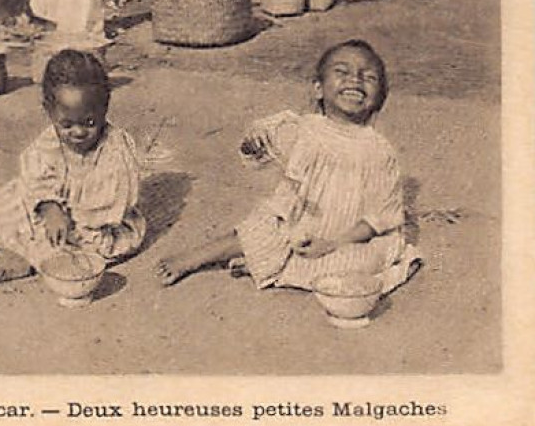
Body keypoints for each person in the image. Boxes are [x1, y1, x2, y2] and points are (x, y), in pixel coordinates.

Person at [156, 39, 419, 294]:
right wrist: (256, 145)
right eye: (342, 72)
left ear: (380, 98)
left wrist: (332, 244)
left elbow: (380, 215)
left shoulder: (380, 152)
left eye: (369, 77)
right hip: (296, 222)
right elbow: (265, 148)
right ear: (318, 89)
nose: (355, 80)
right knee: (264, 228)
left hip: (346, 234)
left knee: (365, 262)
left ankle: (272, 266)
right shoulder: (301, 128)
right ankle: (199, 256)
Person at [0, 49, 146, 285]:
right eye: (66, 124)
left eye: (89, 123)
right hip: (54, 210)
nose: (78, 132)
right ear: (49, 112)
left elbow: (112, 202)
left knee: (87, 243)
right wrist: (49, 205)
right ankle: (19, 248)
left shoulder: (115, 148)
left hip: (96, 220)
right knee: (8, 203)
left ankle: (28, 260)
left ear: (104, 109)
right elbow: (35, 174)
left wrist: (73, 216)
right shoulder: (50, 140)